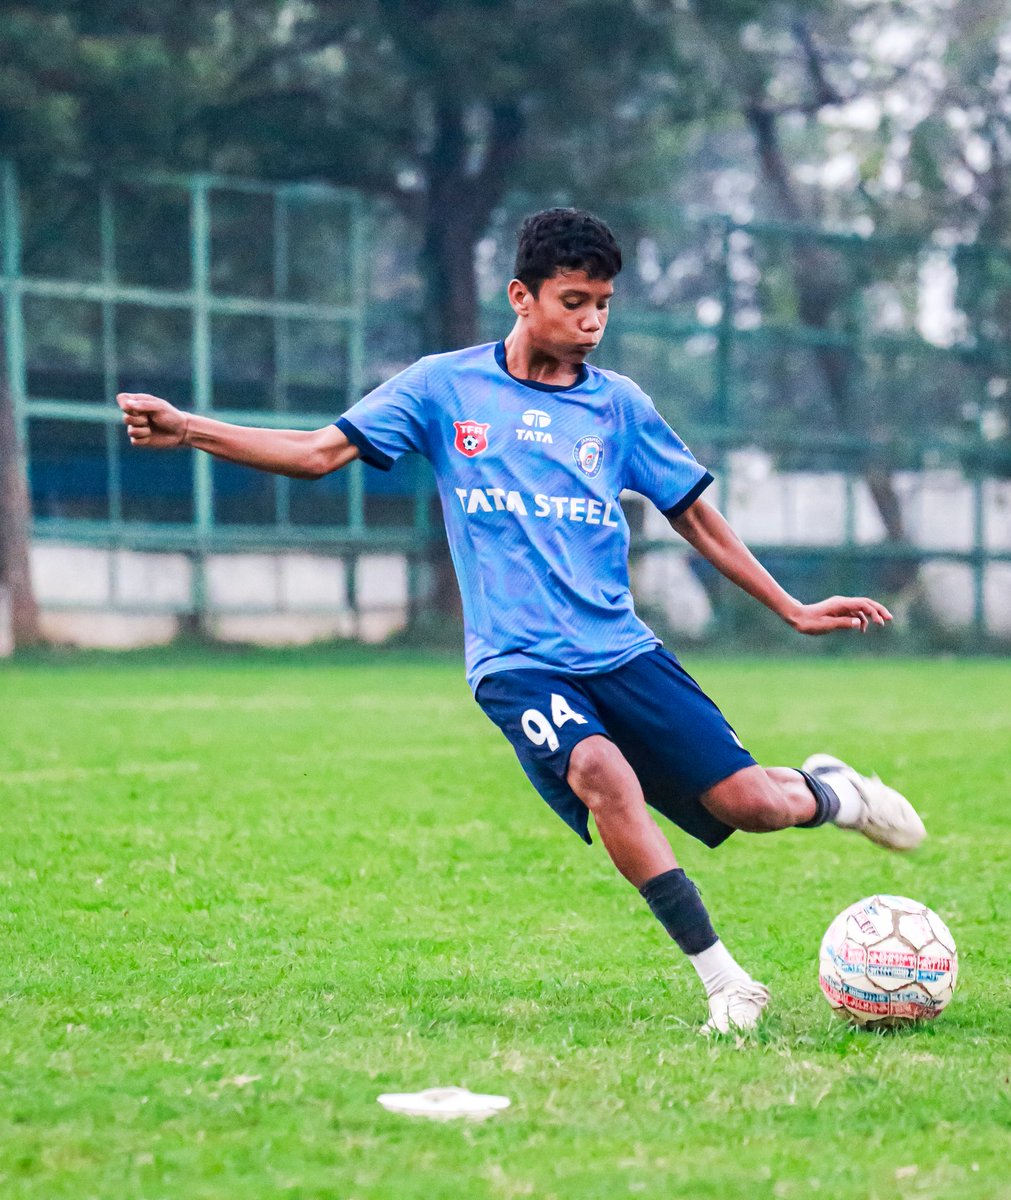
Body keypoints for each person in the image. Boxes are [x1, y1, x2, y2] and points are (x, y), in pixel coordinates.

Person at [117, 208, 925, 1035]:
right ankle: (727, 982)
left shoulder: (618, 407)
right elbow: (317, 453)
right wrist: (189, 429)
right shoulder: (443, 386)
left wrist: (789, 606)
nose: (591, 322)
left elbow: (695, 514)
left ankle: (835, 792)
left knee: (750, 804)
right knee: (602, 773)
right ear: (521, 295)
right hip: (516, 663)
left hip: (621, 650)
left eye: (603, 305)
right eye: (574, 301)